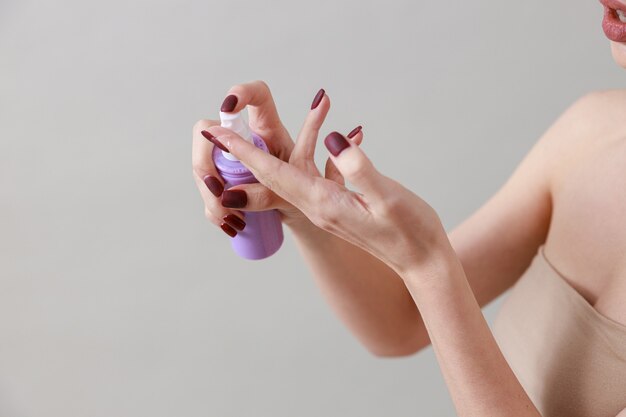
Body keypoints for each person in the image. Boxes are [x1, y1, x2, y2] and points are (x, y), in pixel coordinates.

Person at [191, 1, 626, 415]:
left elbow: (426, 287)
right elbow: (398, 323)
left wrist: (429, 266)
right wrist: (306, 209)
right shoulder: (592, 132)